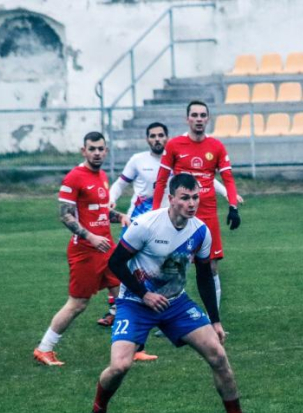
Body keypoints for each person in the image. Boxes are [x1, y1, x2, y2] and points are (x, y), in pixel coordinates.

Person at [89, 173, 256, 413]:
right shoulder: (146, 225)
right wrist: (144, 294)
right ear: (171, 199)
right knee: (120, 366)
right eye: (185, 198)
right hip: (135, 302)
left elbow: (204, 276)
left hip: (175, 303)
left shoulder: (201, 231)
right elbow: (116, 263)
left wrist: (215, 320)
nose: (192, 203)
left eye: (195, 197)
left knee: (218, 356)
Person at [100, 122, 243, 358]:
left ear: (166, 138)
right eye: (153, 135)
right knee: (130, 265)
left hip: (172, 220)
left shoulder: (177, 163)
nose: (157, 139)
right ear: (147, 139)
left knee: (170, 266)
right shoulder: (138, 160)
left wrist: (229, 196)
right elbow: (123, 183)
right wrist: (115, 199)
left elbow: (204, 180)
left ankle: (163, 316)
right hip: (146, 219)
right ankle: (123, 312)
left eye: (161, 135)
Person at [33, 132, 130, 366]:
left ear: (106, 151)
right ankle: (44, 349)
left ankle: (132, 348)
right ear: (83, 151)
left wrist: (121, 216)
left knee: (124, 297)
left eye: (100, 149)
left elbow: (100, 211)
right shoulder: (74, 178)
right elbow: (64, 215)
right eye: (92, 149)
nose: (97, 153)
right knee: (78, 304)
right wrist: (91, 237)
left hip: (107, 249)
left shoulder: (103, 176)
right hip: (85, 252)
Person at [151, 100, 242, 310]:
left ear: (207, 119)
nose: (199, 119)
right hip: (178, 216)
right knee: (171, 267)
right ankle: (168, 319)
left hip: (208, 214)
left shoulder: (216, 146)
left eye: (203, 115)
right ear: (187, 118)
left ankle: (213, 319)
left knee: (211, 268)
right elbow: (162, 179)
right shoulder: (174, 145)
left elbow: (228, 178)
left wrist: (233, 207)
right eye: (195, 115)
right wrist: (156, 211)